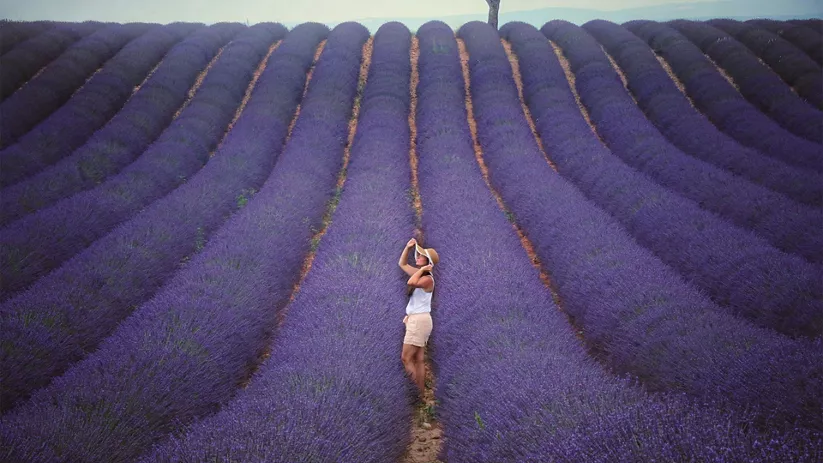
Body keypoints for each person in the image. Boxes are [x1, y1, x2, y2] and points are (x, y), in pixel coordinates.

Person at [398, 237, 440, 398]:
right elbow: (402, 264)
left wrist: (422, 270)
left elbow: (411, 281)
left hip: (419, 321)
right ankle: (421, 394)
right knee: (419, 358)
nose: (417, 257)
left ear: (427, 261)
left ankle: (415, 392)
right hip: (419, 320)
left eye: (420, 256)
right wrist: (408, 248)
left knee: (406, 358)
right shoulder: (421, 274)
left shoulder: (427, 279)